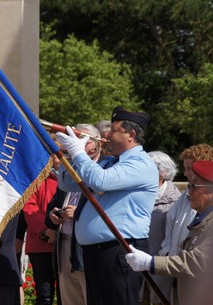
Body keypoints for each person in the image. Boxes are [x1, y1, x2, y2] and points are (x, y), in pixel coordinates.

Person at [56, 106, 159, 305]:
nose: (107, 135)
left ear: (131, 134)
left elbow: (100, 181)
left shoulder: (140, 163)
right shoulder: (110, 162)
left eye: (114, 130)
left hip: (120, 251)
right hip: (97, 253)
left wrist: (79, 153)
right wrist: (71, 155)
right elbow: (67, 183)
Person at [126, 160, 213, 305]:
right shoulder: (203, 217)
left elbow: (196, 261)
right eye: (188, 186)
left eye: (194, 186)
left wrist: (151, 263)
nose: (189, 192)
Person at [47, 124, 103, 305]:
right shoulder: (69, 168)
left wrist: (78, 211)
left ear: (95, 144)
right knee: (69, 299)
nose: (75, 144)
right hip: (64, 244)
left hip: (87, 247)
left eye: (81, 140)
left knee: (91, 297)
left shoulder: (105, 169)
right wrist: (53, 216)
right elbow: (54, 205)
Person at [20, 147, 61, 305]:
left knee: (66, 293)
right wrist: (46, 230)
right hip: (40, 243)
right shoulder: (36, 178)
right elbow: (30, 208)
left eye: (59, 153)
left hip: (64, 243)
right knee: (44, 295)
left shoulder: (73, 177)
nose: (56, 157)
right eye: (52, 154)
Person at [159, 144, 213, 257]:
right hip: (175, 265)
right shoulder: (185, 195)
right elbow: (170, 229)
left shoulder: (208, 200)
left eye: (189, 168)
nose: (184, 173)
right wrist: (167, 253)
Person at [142, 151, 181, 305]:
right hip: (138, 264)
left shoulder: (176, 201)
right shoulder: (139, 194)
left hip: (162, 267)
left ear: (162, 173)